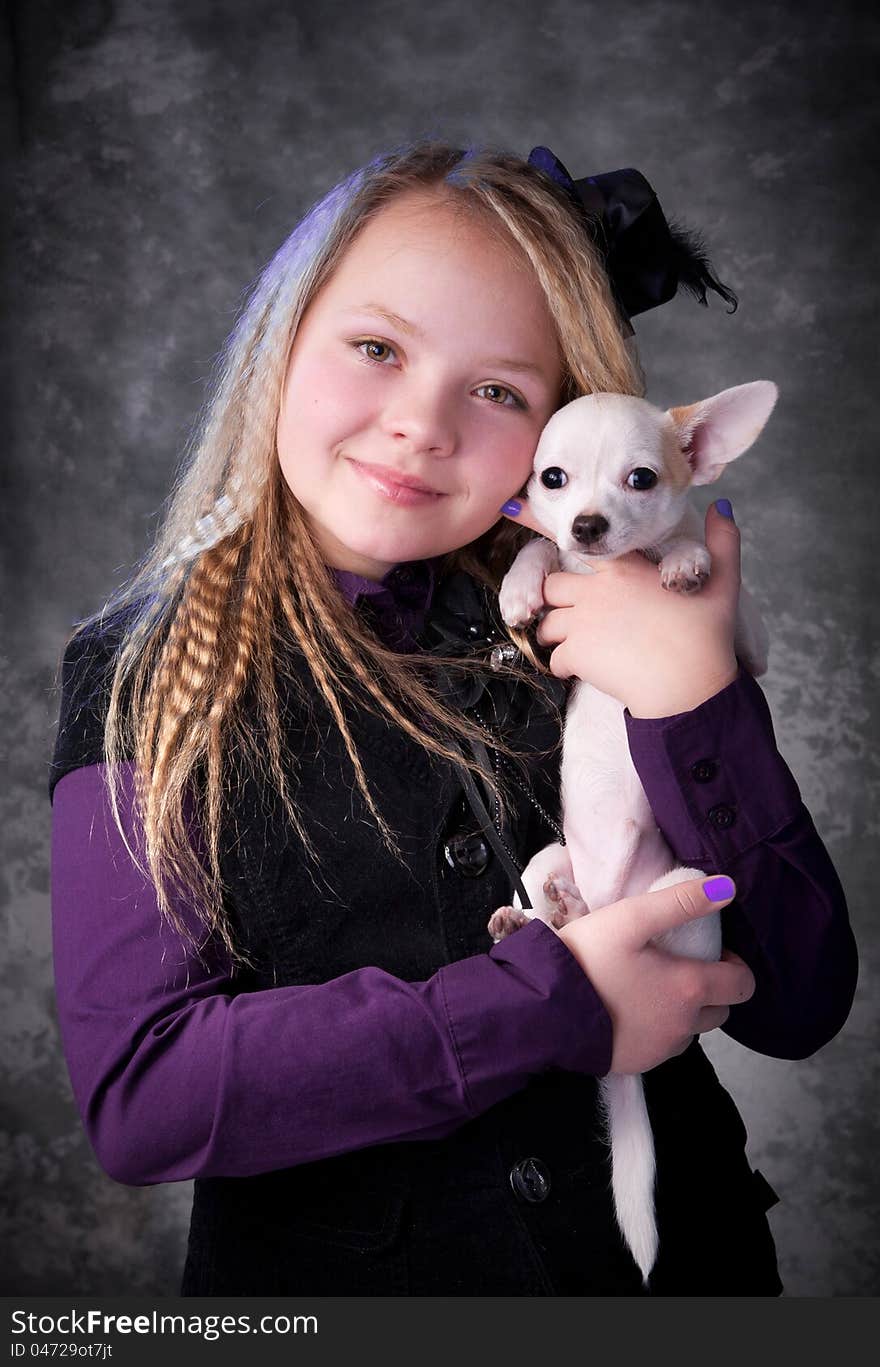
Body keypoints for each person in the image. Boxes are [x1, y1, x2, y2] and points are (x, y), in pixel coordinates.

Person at [48, 140, 858, 1297]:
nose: (422, 423)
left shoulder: (603, 612)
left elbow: (798, 998)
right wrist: (548, 1002)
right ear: (282, 344)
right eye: (375, 348)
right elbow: (143, 1098)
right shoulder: (143, 664)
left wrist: (696, 699)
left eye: (497, 391)